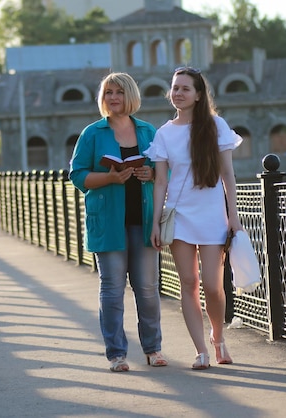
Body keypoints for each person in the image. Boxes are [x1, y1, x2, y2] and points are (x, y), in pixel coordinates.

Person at [145, 66, 243, 370]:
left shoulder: (215, 126)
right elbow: (160, 181)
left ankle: (217, 338)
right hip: (179, 215)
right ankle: (200, 350)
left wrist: (234, 217)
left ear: (198, 95)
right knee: (188, 282)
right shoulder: (164, 133)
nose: (178, 93)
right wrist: (155, 223)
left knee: (214, 286)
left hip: (212, 215)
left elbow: (228, 174)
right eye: (175, 88)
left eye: (185, 88)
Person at [69, 72, 167, 372]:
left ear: (131, 96)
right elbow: (77, 174)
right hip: (108, 222)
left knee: (148, 288)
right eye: (108, 92)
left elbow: (167, 172)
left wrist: (151, 174)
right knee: (112, 289)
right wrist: (110, 177)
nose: (113, 97)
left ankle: (153, 348)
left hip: (144, 220)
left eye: (119, 92)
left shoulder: (149, 132)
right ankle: (117, 354)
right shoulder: (92, 133)